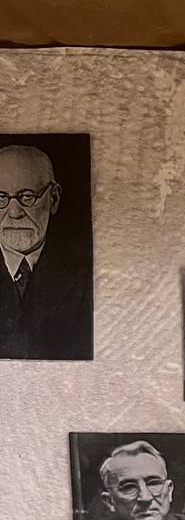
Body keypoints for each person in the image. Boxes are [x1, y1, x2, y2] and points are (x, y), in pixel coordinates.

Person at [0, 143, 93, 360]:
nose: (13, 212)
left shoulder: (87, 271)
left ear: (54, 198)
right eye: (0, 197)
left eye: (27, 196)